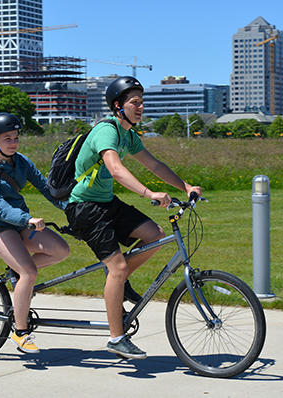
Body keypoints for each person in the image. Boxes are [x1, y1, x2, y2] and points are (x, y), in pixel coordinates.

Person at [65, 76, 202, 359]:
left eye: (142, 102)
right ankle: (116, 338)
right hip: (84, 207)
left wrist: (185, 186)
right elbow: (115, 169)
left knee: (155, 235)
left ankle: (119, 278)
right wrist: (147, 192)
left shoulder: (128, 134)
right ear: (118, 106)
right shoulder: (107, 131)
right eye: (134, 102)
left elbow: (154, 164)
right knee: (116, 267)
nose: (141, 107)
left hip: (105, 202)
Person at [0, 112, 70, 354]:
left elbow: (46, 187)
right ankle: (20, 330)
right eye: (7, 138)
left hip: (18, 222)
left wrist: (72, 208)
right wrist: (27, 218)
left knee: (61, 250)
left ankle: (18, 278)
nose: (13, 143)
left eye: (16, 137)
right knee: (29, 272)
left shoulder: (21, 161)